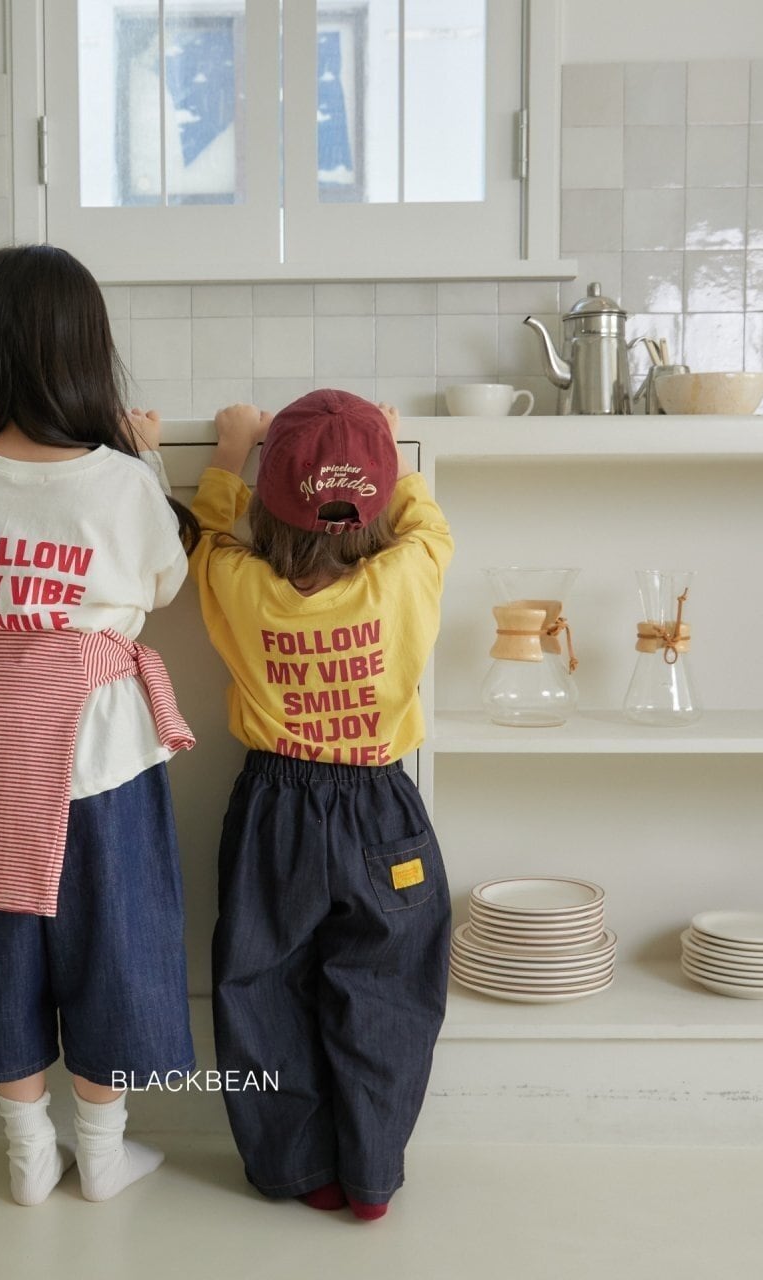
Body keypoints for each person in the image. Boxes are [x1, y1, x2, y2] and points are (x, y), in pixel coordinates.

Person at [0, 244, 199, 1206]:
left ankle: (27, 1149)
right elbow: (166, 579)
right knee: (115, 939)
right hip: (100, 755)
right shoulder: (120, 482)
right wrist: (144, 456)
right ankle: (104, 1151)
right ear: (87, 353)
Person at [190, 389, 454, 1222]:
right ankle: (371, 1171)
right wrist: (384, 448)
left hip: (276, 809)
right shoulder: (410, 573)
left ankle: (298, 1167)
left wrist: (230, 451)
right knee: (388, 988)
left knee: (260, 986)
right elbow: (427, 522)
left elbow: (205, 534)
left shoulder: (241, 584)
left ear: (270, 508)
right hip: (381, 808)